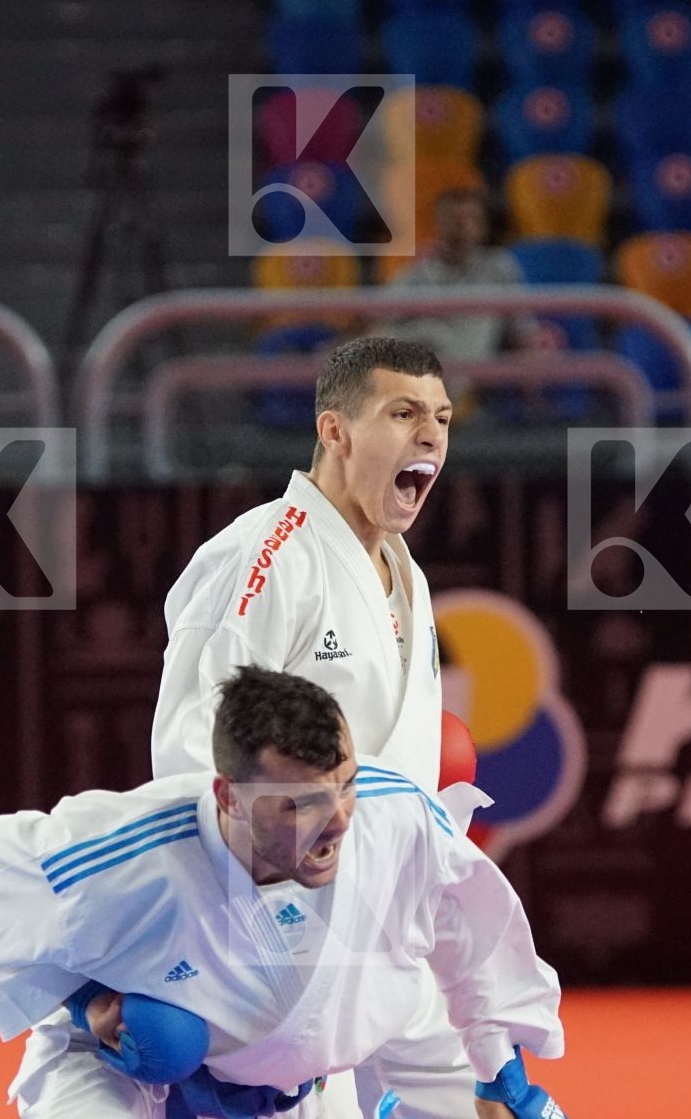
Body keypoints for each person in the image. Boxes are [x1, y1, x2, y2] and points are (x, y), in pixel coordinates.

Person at [0, 666, 569, 1119]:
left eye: (343, 785)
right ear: (227, 796)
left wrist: (497, 1073)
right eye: (299, 805)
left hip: (296, 1086)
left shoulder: (391, 811)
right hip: (126, 1072)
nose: (338, 819)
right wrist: (85, 999)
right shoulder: (130, 848)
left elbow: (472, 931)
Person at [151, 337, 484, 1118]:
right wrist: (241, 944)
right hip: (282, 931)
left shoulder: (404, 566)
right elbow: (188, 746)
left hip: (386, 924)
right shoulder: (267, 554)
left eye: (440, 418)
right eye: (402, 414)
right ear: (334, 432)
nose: (431, 435)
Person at [379, 188, 561, 359]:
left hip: (472, 372)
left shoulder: (498, 267)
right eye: (452, 219)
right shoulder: (419, 269)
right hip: (422, 369)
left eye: (470, 219)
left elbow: (522, 330)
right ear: (437, 224)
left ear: (483, 226)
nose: (461, 227)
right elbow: (384, 318)